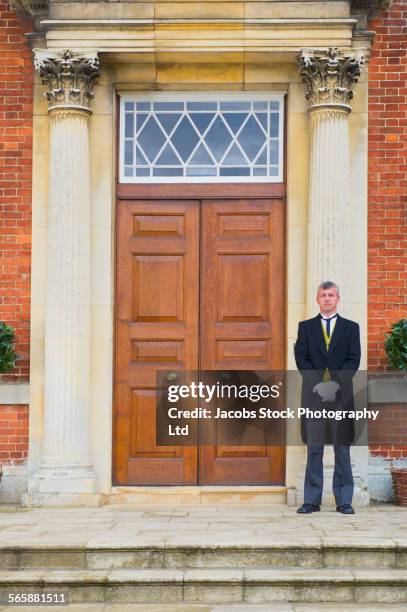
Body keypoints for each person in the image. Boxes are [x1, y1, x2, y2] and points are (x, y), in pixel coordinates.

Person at [294, 281, 361, 515]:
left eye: (331, 295)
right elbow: (302, 359)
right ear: (317, 298)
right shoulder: (305, 328)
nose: (327, 299)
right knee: (314, 449)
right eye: (323, 295)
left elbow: (354, 360)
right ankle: (311, 501)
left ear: (338, 298)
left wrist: (334, 384)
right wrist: (320, 386)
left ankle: (344, 501)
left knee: (342, 449)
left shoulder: (351, 328)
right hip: (314, 397)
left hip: (341, 397)